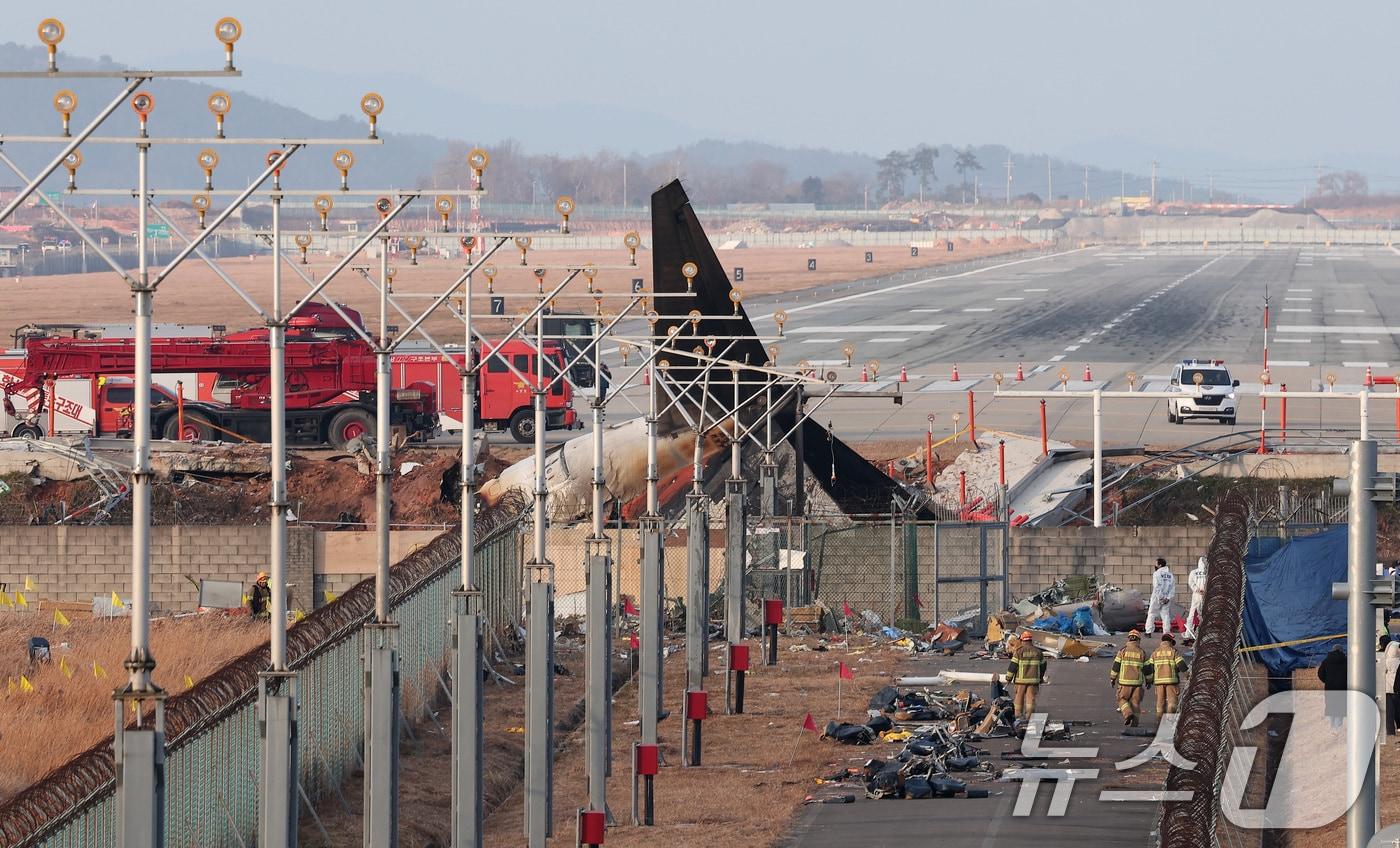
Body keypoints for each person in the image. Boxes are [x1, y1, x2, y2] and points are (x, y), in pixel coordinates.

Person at [1004, 631, 1048, 720]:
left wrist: (1008, 678)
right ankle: (1029, 716)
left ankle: (1018, 716)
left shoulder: (1019, 652)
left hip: (1021, 681)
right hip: (1033, 681)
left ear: (1022, 640)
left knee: (1019, 698)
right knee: (1030, 699)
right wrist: (1040, 677)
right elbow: (1043, 666)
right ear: (1031, 640)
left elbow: (1013, 666)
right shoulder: (1038, 652)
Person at [1111, 630, 1148, 727]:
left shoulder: (1123, 651)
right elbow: (1147, 669)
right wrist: (1149, 680)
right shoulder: (1142, 652)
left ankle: (1127, 713)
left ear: (1129, 639)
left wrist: (1112, 678)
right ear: (1138, 640)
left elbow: (1116, 666)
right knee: (1135, 703)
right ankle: (1135, 723)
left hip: (1124, 683)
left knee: (1121, 699)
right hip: (1137, 683)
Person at [1146, 633, 1189, 715]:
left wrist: (1149, 680)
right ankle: (1169, 719)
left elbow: (1150, 668)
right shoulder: (1173, 652)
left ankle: (1159, 720)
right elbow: (1182, 665)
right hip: (1171, 681)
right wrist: (1188, 676)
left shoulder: (1155, 652)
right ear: (1170, 641)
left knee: (1160, 703)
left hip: (1159, 682)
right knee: (1172, 702)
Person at [1318, 644, 1347, 729]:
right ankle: (1338, 728)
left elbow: (1320, 674)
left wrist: (1327, 681)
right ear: (1341, 650)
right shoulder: (1346, 661)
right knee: (1340, 708)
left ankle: (1332, 727)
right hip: (1342, 688)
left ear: (1332, 650)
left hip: (1330, 688)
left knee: (1331, 707)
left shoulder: (1326, 661)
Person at [1145, 557, 1176, 636]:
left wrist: (1161, 597)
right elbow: (1172, 588)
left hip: (1157, 597)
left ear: (1160, 565)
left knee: (1152, 613)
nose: (1155, 565)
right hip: (1166, 598)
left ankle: (1148, 631)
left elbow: (1156, 586)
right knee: (1165, 615)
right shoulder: (1170, 575)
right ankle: (1166, 632)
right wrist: (1168, 598)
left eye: (1156, 564)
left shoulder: (1156, 574)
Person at [1184, 556, 1208, 641]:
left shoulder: (1194, 572)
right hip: (1203, 595)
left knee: (1193, 614)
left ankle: (1189, 633)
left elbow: (1191, 582)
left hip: (1198, 594)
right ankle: (1201, 633)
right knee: (1201, 614)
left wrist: (1196, 589)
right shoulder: (1207, 572)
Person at [1385, 635, 1400, 736]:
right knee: (1398, 709)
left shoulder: (1385, 661)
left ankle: (1390, 731)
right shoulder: (1398, 661)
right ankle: (1399, 727)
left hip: (1387, 688)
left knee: (1389, 712)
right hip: (1397, 688)